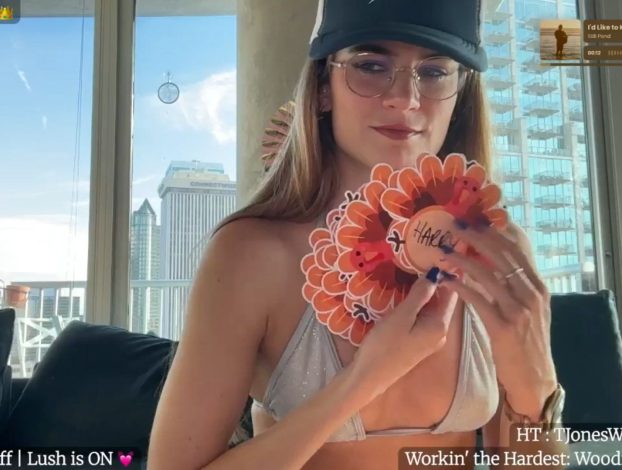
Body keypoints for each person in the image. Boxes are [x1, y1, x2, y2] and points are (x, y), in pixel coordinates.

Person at [148, 1, 568, 469]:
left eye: (434, 72)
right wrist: (362, 381)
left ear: (460, 93)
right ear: (322, 87)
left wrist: (536, 387)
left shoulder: (497, 249)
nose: (405, 98)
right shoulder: (251, 255)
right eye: (371, 66)